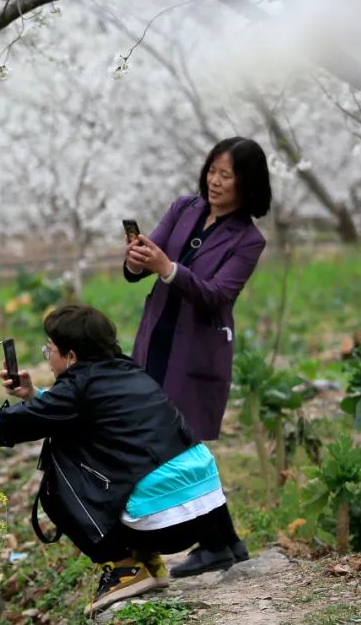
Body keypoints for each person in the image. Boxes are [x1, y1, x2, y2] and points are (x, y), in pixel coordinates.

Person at [0, 305, 242, 615]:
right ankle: (148, 563)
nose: (48, 360)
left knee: (58, 468)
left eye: (50, 351)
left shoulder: (78, 388)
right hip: (207, 513)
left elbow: (7, 425)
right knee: (102, 449)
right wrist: (34, 396)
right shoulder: (129, 370)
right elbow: (75, 412)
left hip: (165, 525)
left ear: (71, 356)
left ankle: (123, 567)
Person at [123, 136, 272, 576]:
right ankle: (224, 544)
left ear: (247, 184)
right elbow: (145, 264)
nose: (215, 181)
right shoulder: (184, 208)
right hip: (157, 338)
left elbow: (217, 296)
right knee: (176, 445)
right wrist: (136, 259)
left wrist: (167, 268)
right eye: (212, 170)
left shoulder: (248, 240)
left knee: (179, 445)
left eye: (226, 175)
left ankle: (217, 543)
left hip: (195, 351)